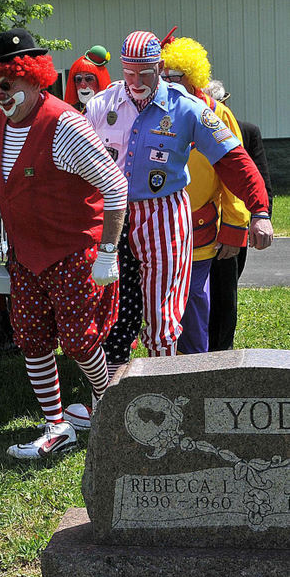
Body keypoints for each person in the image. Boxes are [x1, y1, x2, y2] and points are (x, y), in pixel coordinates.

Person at [84, 30, 271, 401]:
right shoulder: (101, 106)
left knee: (163, 312)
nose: (136, 83)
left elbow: (233, 158)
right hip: (112, 216)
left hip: (163, 214)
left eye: (146, 74)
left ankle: (163, 400)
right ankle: (108, 399)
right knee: (109, 309)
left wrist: (259, 210)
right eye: (130, 73)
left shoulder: (185, 106)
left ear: (160, 67)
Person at [0, 29, 128, 459]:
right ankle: (57, 425)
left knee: (81, 341)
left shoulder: (65, 124)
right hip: (26, 256)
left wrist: (108, 253)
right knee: (31, 339)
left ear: (33, 75)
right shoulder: (0, 126)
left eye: (7, 82)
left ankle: (107, 402)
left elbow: (116, 188)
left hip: (74, 252)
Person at [159, 36, 251, 355]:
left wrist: (235, 226)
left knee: (195, 295)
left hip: (200, 224)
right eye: (163, 75)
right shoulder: (153, 111)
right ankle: (165, 361)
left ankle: (194, 365)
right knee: (162, 298)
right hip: (159, 223)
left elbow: (235, 174)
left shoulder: (217, 114)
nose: (167, 83)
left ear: (194, 76)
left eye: (175, 76)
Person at [204, 79, 275, 351]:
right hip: (198, 225)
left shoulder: (245, 131)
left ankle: (222, 352)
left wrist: (262, 216)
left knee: (225, 296)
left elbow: (259, 178)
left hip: (230, 227)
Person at [64, 45, 112, 113]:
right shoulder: (70, 112)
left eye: (89, 79)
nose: (83, 84)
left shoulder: (110, 110)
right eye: (78, 79)